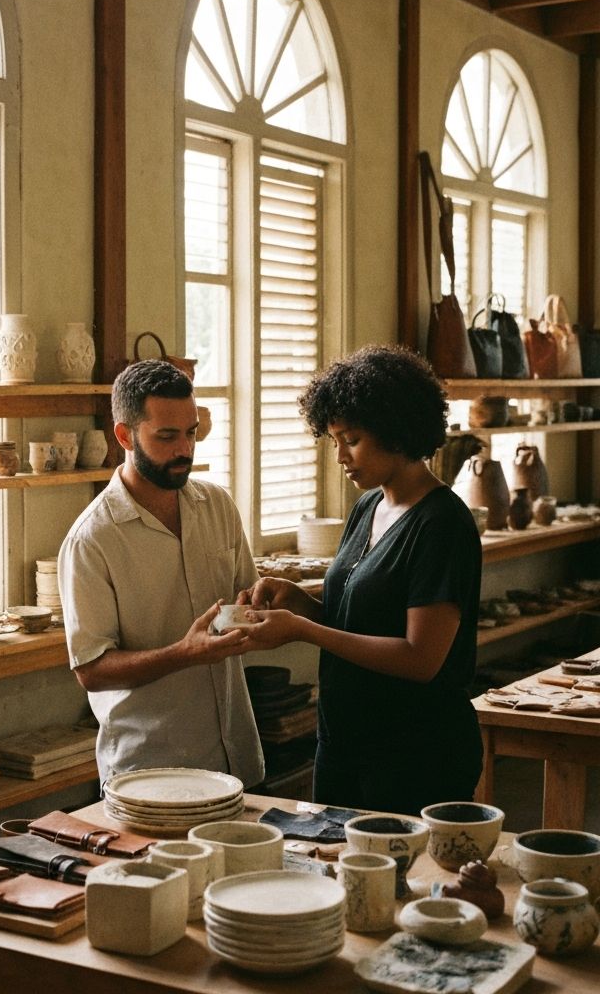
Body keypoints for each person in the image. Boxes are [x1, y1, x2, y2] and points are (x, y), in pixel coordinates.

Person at [237, 344, 482, 816]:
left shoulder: (442, 525)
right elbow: (360, 622)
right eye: (333, 441)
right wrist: (298, 604)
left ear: (395, 430)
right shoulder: (369, 507)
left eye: (351, 439)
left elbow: (420, 658)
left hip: (415, 753)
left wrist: (303, 630)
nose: (340, 456)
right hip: (345, 742)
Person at [58, 359, 264, 787]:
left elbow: (246, 599)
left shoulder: (218, 505)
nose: (184, 449)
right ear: (123, 435)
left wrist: (267, 602)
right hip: (148, 772)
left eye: (191, 433)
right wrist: (184, 653)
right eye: (166, 436)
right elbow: (91, 670)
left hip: (234, 759)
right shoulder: (92, 540)